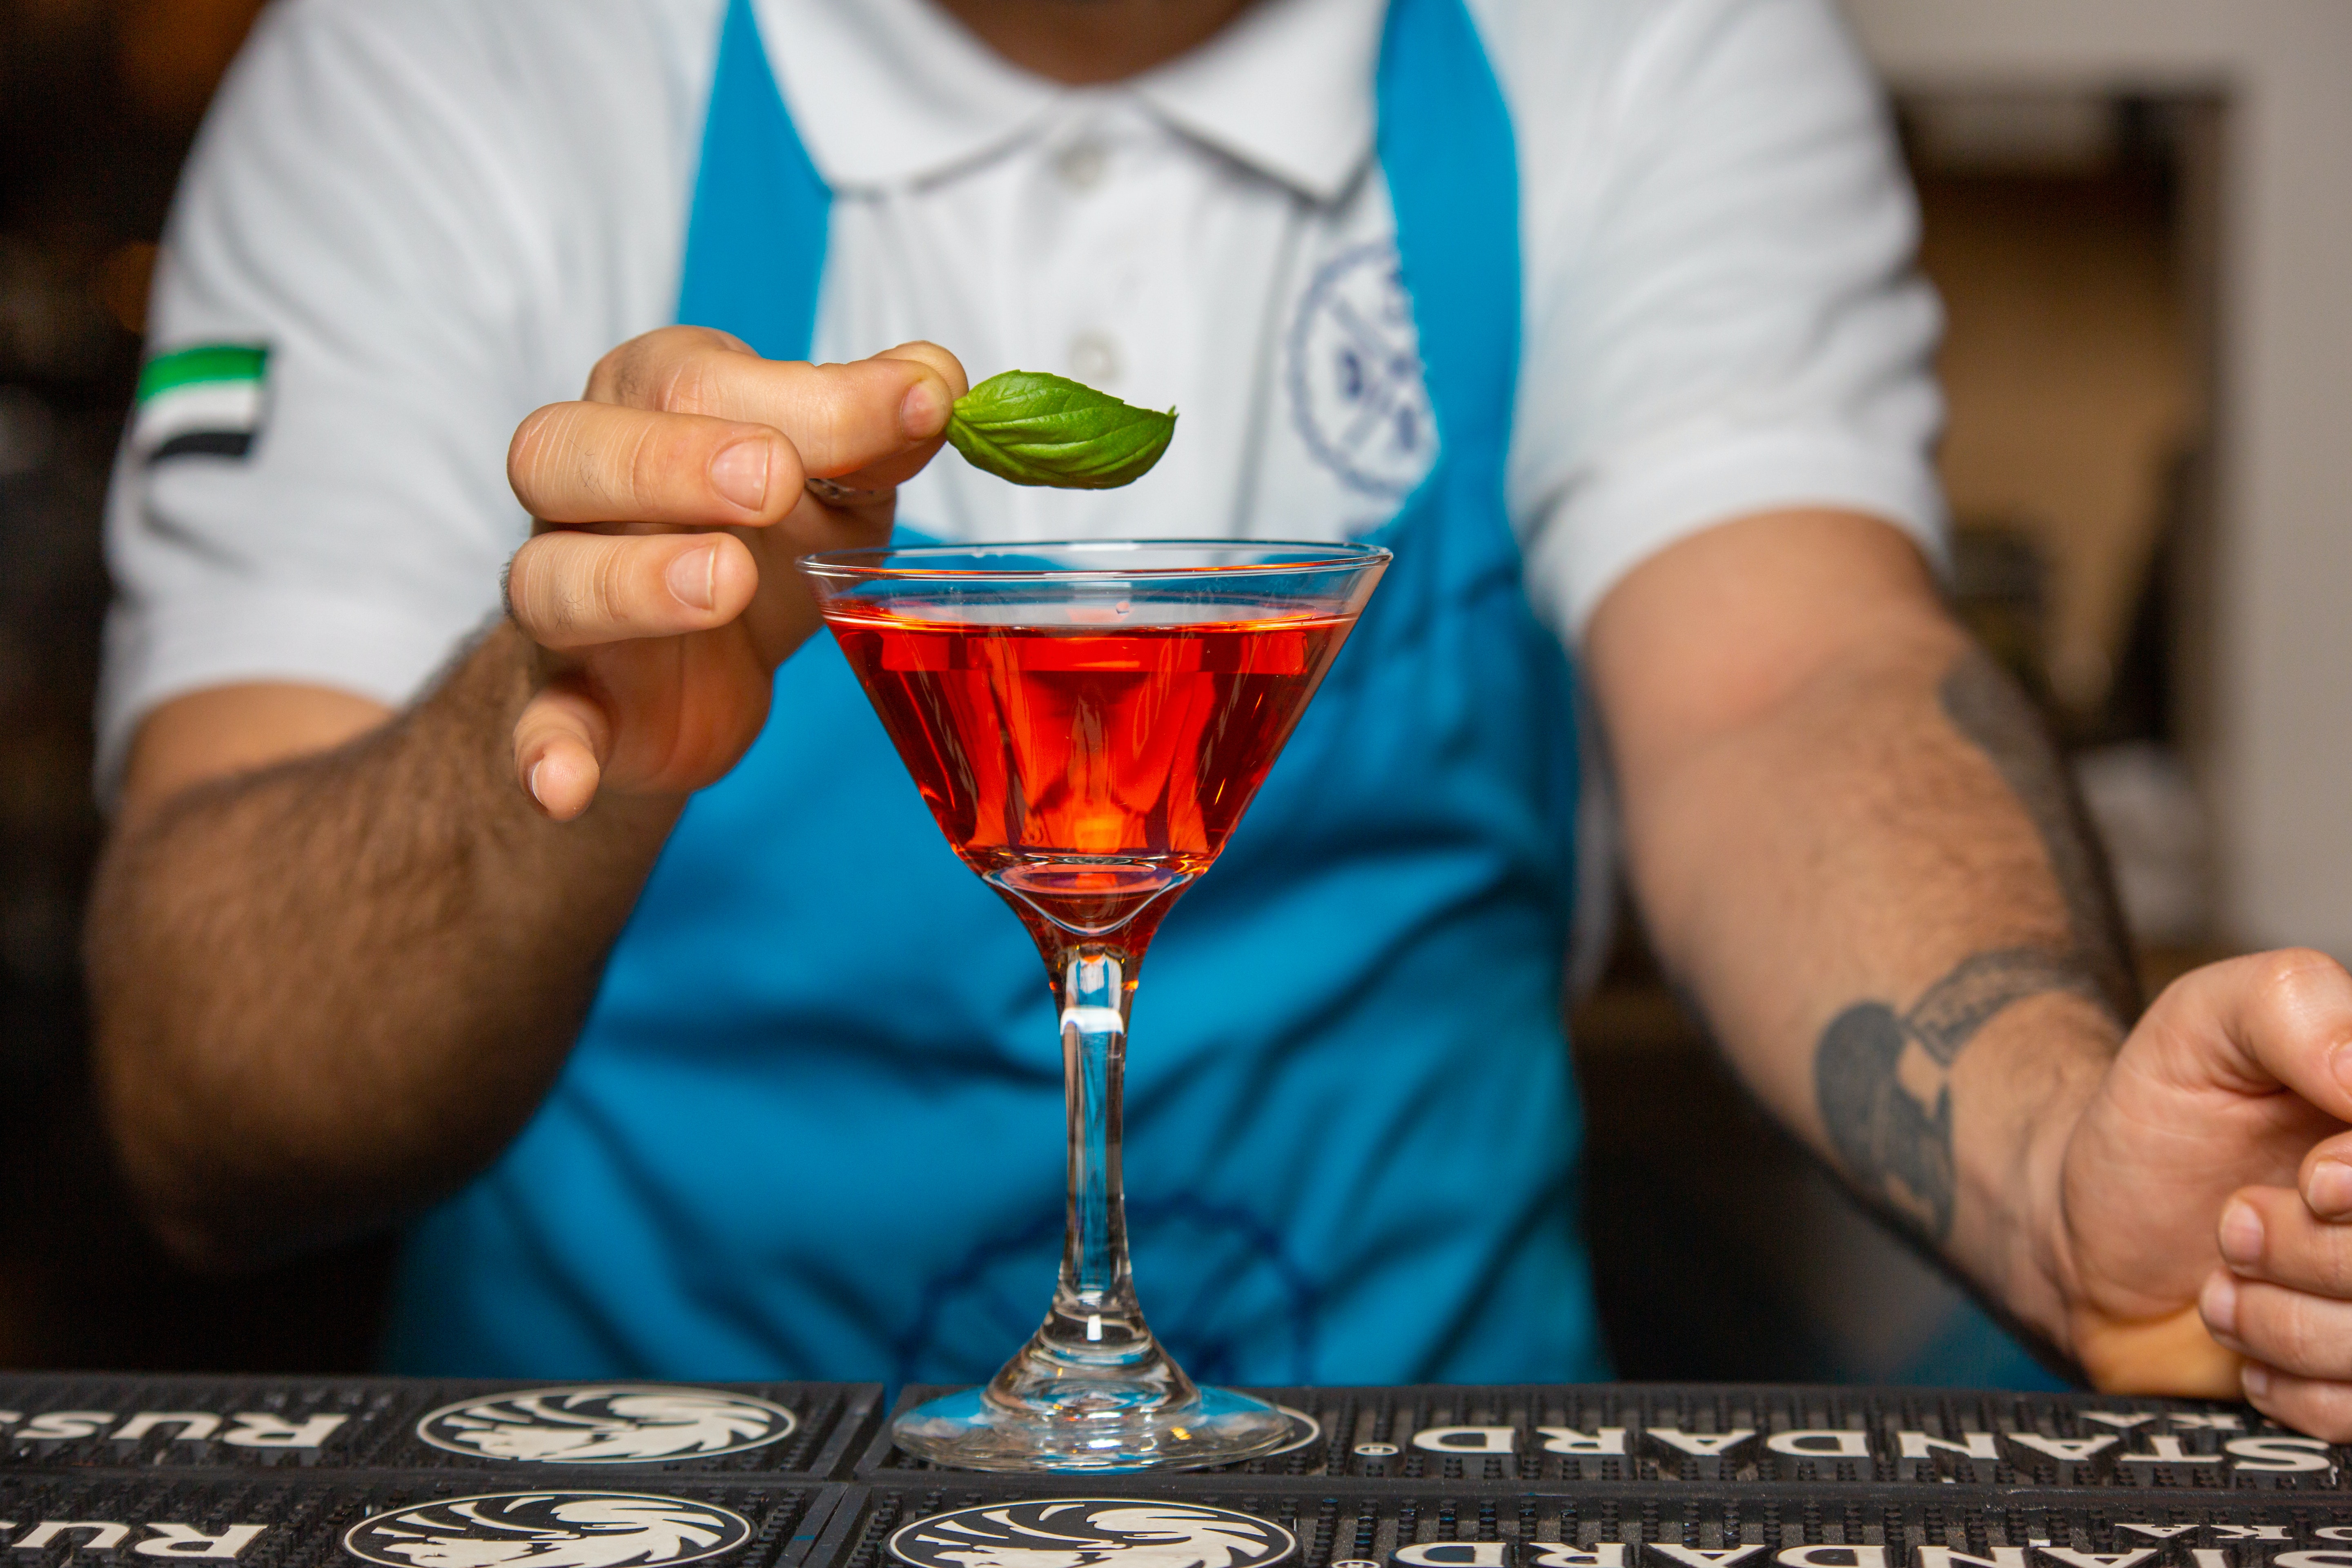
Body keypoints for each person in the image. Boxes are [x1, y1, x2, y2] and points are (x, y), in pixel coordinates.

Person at [84, 0, 2352, 1435]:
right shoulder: (438, 54)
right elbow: (207, 1112)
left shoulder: (1652, 42)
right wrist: (556, 729)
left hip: (1438, 1478)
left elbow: (1797, 674)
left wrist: (2066, 1164)